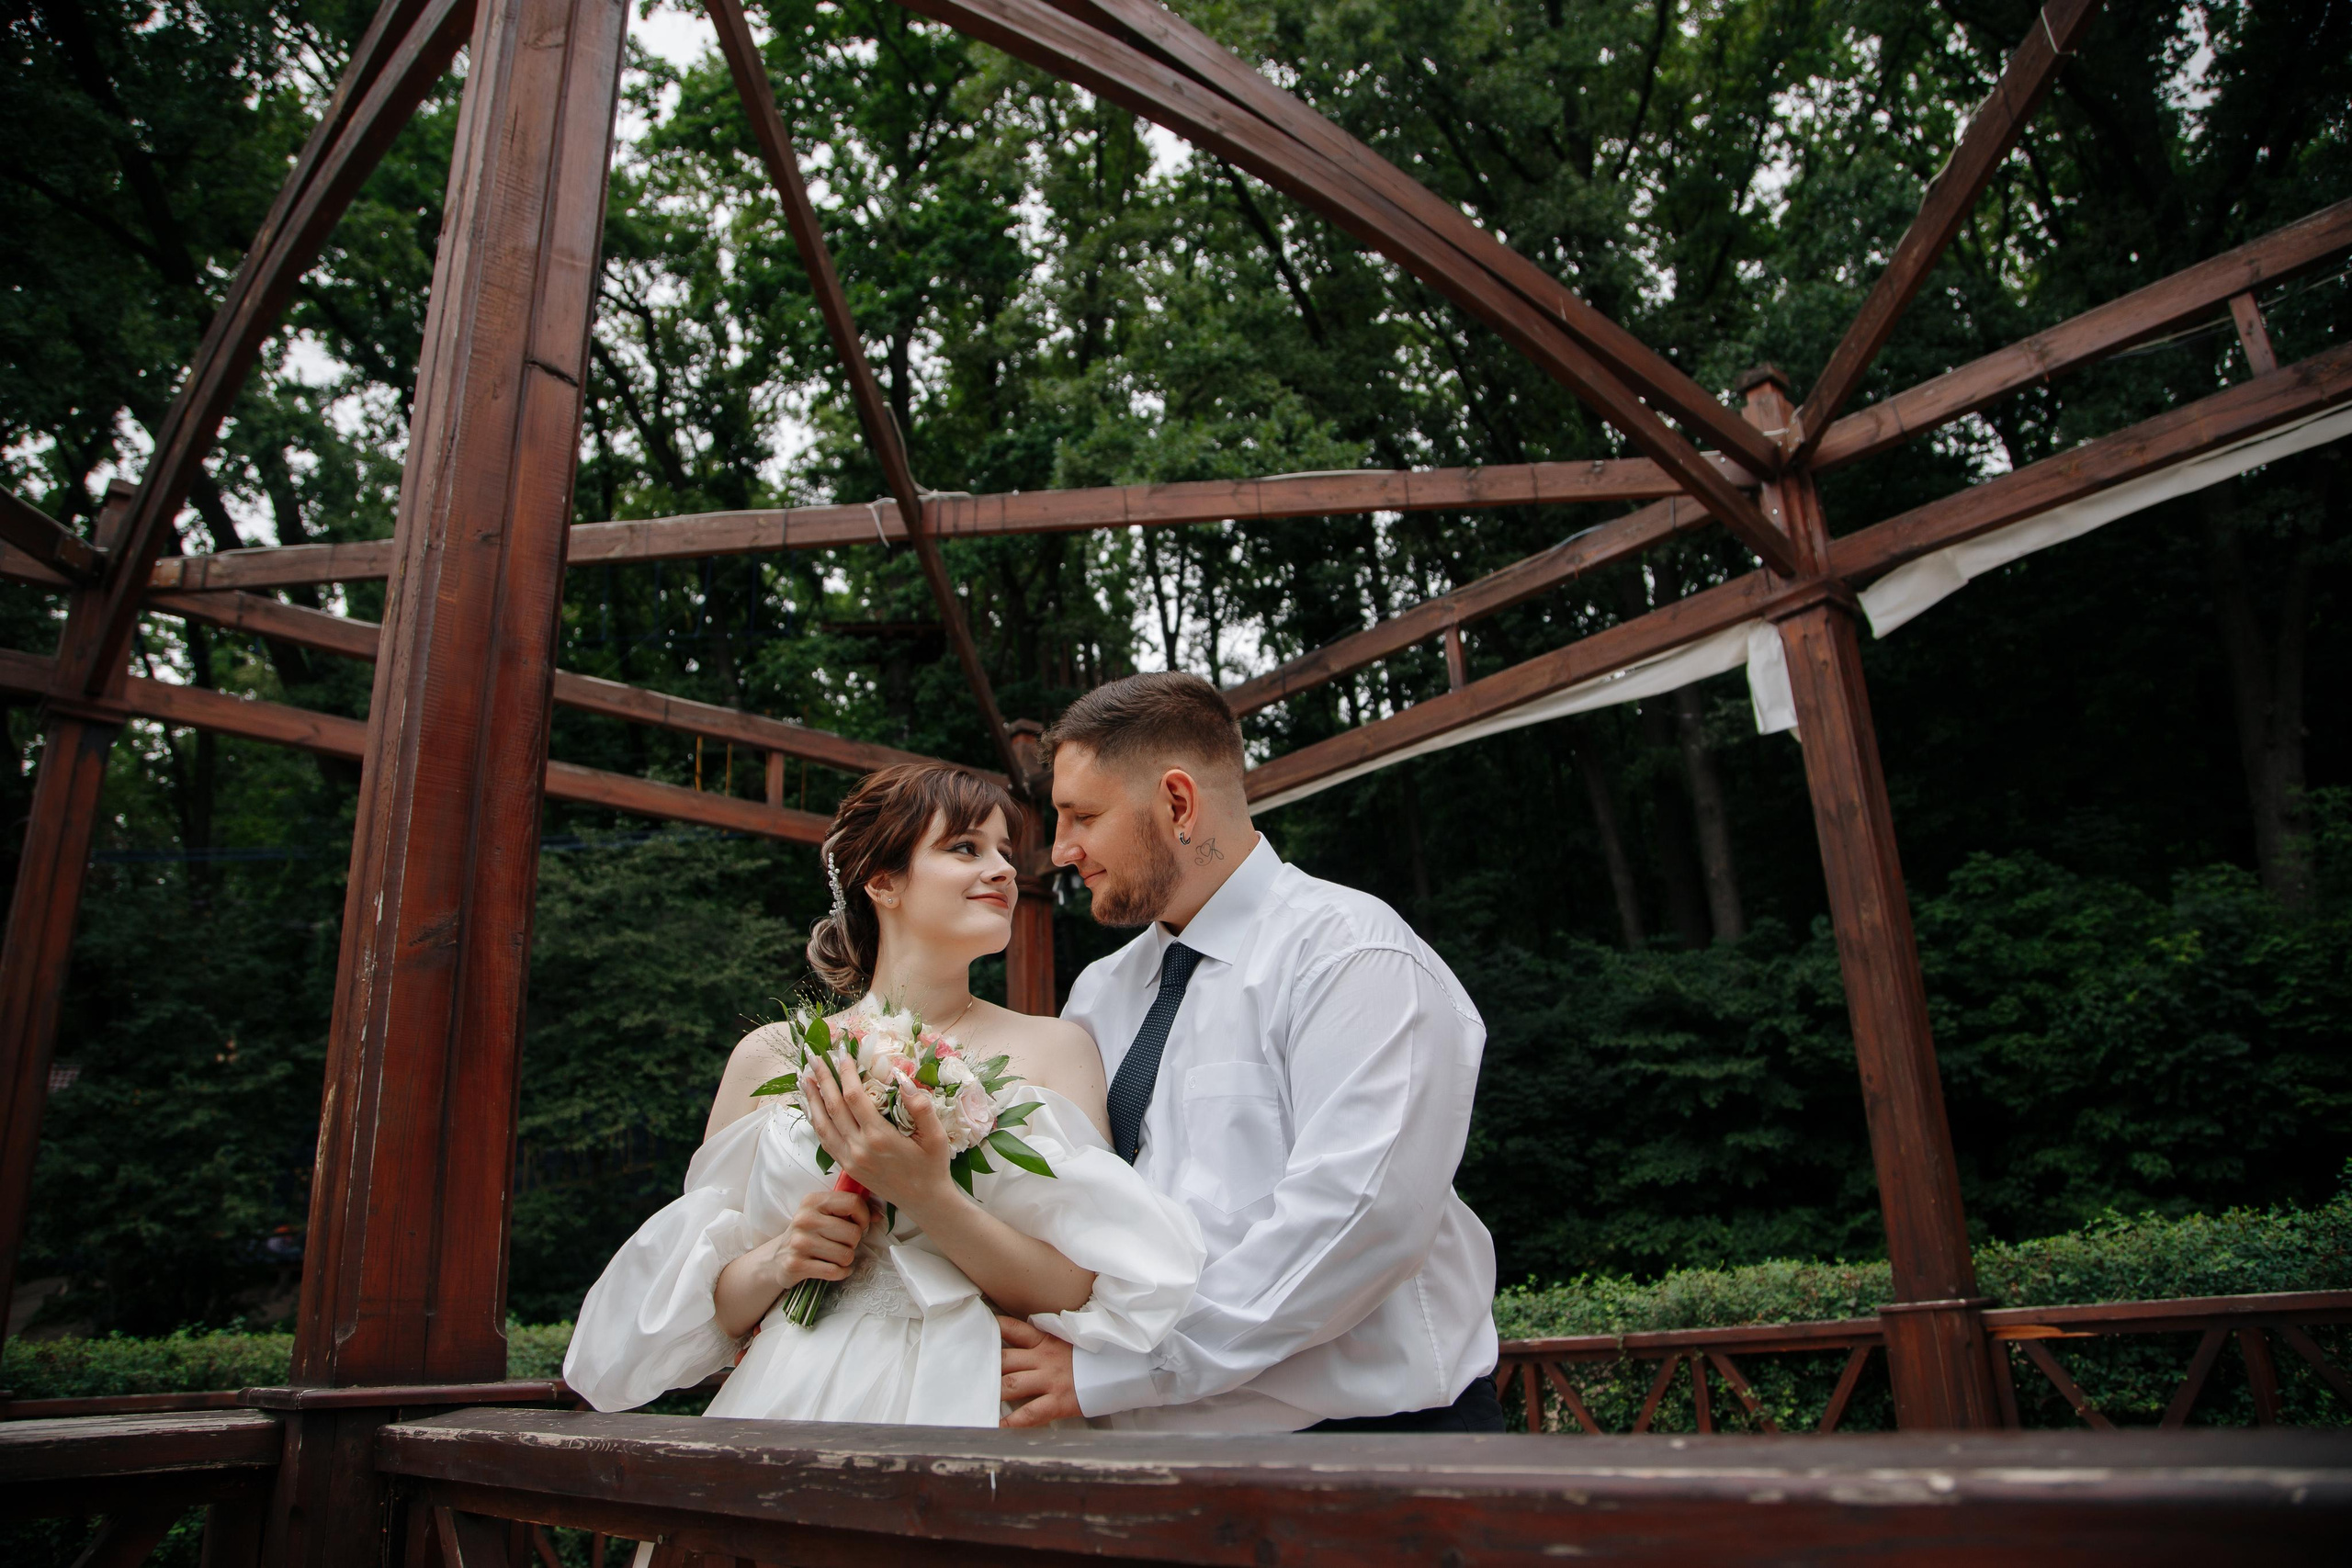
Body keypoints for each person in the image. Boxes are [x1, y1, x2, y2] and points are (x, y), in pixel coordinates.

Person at [564, 762, 1203, 1430]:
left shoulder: (1056, 1048)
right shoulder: (770, 1056)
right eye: (966, 847)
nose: (1005, 870)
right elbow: (708, 1304)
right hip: (792, 1396)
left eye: (1005, 853)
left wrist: (930, 1195)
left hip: (983, 1400)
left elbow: (1076, 1286)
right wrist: (781, 1257)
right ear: (882, 880)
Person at [998, 671, 1502, 1433]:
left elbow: (1355, 1224)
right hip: (1151, 1459)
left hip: (1369, 1454)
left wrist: (1118, 1368)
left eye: (1084, 815)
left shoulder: (1352, 957)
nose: (1062, 849)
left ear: (1177, 803)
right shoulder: (1098, 995)